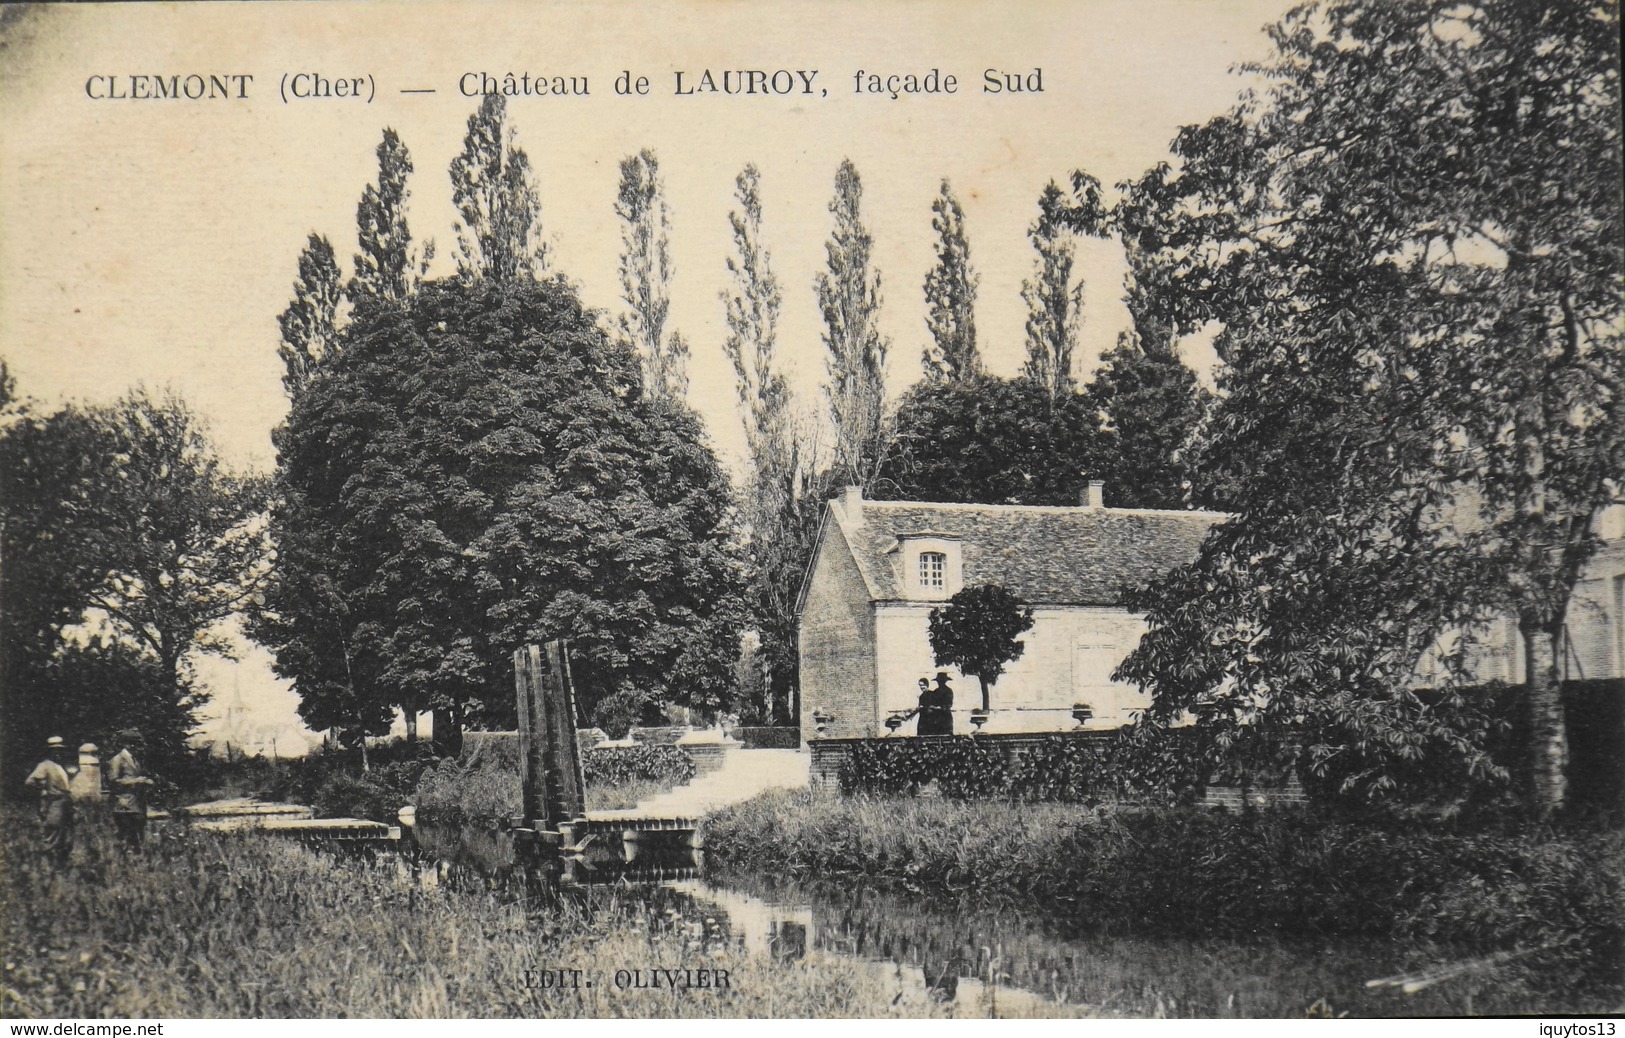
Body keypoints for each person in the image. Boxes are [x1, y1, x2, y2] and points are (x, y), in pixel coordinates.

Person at [25, 736, 75, 868]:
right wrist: (44, 789)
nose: (58, 753)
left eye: (60, 750)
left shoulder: (60, 765)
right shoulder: (45, 765)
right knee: (53, 831)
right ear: (49, 751)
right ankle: (48, 866)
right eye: (54, 750)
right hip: (54, 802)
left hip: (66, 802)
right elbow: (30, 781)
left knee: (65, 834)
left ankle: (60, 865)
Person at [106, 729, 156, 852]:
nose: (135, 746)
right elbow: (113, 781)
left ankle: (136, 859)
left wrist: (145, 782)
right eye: (132, 743)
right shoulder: (117, 759)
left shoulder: (135, 759)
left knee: (139, 830)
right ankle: (123, 859)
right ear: (124, 744)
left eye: (137, 743)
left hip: (136, 802)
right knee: (127, 835)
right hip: (123, 804)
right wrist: (136, 781)